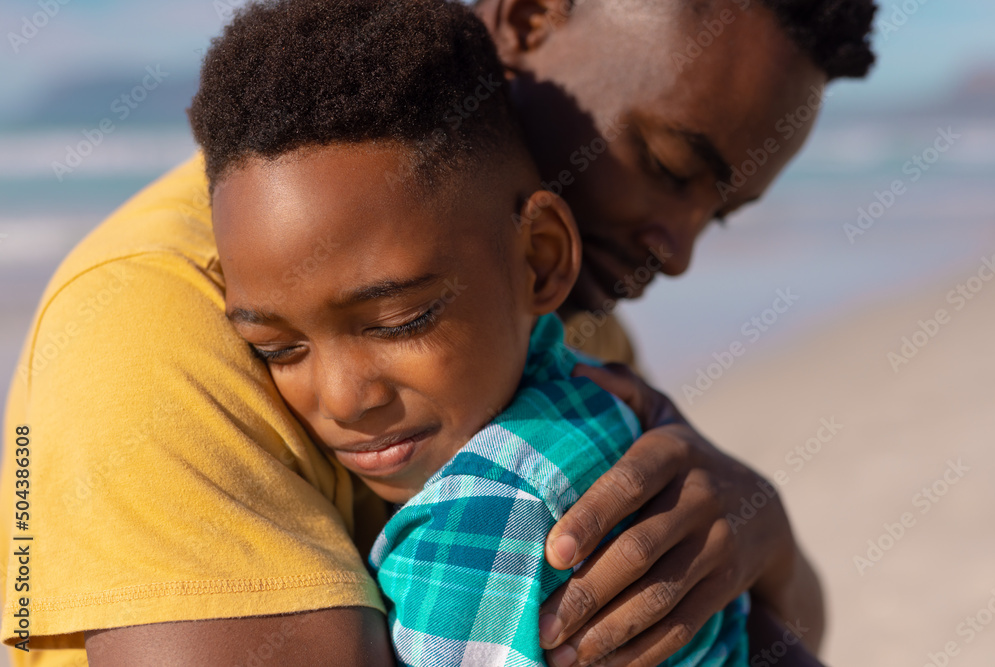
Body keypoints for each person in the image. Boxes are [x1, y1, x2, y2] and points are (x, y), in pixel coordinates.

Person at [0, 0, 875, 665]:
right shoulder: (150, 318)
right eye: (669, 165)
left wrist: (760, 529)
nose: (678, 248)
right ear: (530, 16)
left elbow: (787, 626)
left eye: (719, 213)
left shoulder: (546, 314)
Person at [191, 1, 750, 664]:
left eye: (402, 320)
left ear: (541, 257)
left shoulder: (484, 515)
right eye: (277, 349)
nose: (345, 398)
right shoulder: (591, 400)